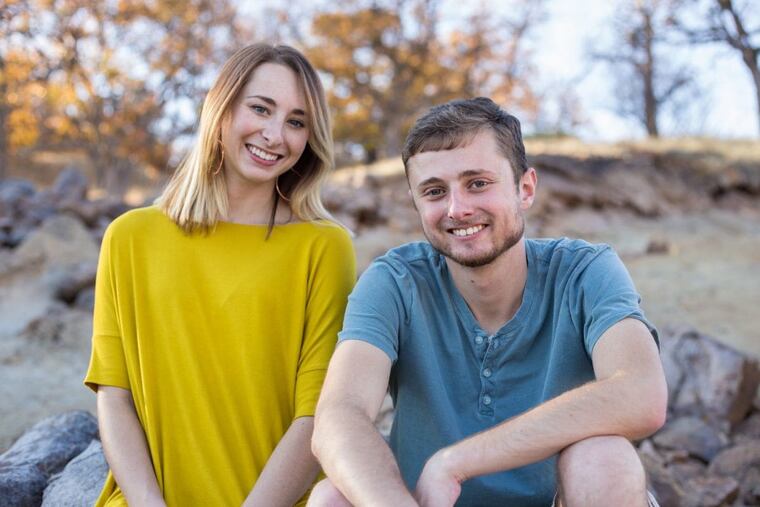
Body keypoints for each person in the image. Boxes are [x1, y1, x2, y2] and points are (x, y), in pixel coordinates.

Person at [309, 97, 667, 506]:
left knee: (602, 458)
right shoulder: (395, 281)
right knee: (331, 498)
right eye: (434, 191)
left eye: (477, 183)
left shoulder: (585, 271)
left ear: (525, 188)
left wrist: (456, 462)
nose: (457, 209)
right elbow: (340, 416)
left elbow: (641, 393)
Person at [84, 43, 355, 507]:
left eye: (296, 121)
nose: (275, 135)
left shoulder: (324, 247)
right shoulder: (130, 238)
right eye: (260, 108)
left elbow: (317, 414)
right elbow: (115, 394)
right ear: (221, 108)